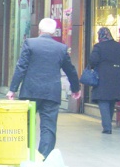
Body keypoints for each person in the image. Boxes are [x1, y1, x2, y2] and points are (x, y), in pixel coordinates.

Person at [7, 18, 81, 158]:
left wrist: (13, 89)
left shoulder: (30, 43)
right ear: (53, 32)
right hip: (51, 93)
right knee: (48, 127)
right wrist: (76, 88)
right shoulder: (61, 48)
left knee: (27, 125)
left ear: (39, 30)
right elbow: (70, 70)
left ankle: (26, 156)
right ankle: (43, 159)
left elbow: (21, 67)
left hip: (30, 91)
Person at [89, 27, 120, 134]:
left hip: (103, 76)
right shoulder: (118, 46)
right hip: (117, 76)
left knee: (103, 100)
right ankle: (108, 123)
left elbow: (93, 60)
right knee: (111, 100)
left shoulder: (99, 46)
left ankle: (107, 127)